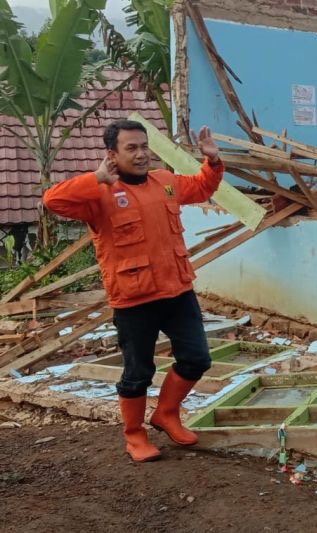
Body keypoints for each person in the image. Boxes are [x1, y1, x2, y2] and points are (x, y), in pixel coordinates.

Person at [43, 120, 224, 462]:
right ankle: (135, 435)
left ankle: (167, 414)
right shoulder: (98, 194)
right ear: (112, 154)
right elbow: (53, 200)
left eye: (144, 147)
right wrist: (97, 178)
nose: (142, 155)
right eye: (132, 148)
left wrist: (212, 162)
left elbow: (201, 188)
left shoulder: (166, 183)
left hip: (178, 291)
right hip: (133, 298)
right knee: (138, 372)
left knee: (197, 358)